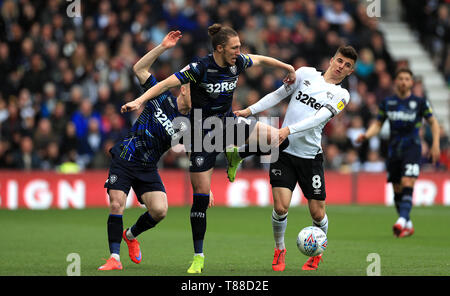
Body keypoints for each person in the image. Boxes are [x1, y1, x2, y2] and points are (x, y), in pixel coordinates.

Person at [121, 23, 296, 273]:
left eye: (239, 47)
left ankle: (237, 154)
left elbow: (257, 58)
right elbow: (162, 84)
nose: (239, 51)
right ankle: (198, 257)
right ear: (219, 48)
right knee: (200, 200)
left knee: (280, 138)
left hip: (227, 123)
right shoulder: (198, 69)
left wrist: (287, 67)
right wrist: (139, 100)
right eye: (234, 47)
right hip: (199, 137)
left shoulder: (237, 62)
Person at [234, 45, 358, 271]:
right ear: (332, 60)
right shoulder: (305, 74)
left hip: (310, 157)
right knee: (281, 208)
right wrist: (249, 111)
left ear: (350, 72)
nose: (342, 66)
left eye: (347, 65)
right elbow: (278, 94)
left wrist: (288, 130)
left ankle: (317, 252)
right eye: (340, 61)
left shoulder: (342, 95)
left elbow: (319, 118)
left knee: (317, 213)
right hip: (284, 152)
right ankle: (279, 249)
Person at [98, 31, 192, 271]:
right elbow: (139, 69)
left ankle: (130, 235)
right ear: (182, 89)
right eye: (194, 89)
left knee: (160, 211)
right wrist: (162, 47)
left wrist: (205, 188)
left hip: (148, 167)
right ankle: (114, 258)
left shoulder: (189, 123)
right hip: (126, 157)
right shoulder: (161, 95)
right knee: (117, 203)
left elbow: (194, 152)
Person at [356, 68, 440, 238]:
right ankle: (407, 223)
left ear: (411, 82)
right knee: (397, 187)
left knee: (408, 181)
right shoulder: (387, 103)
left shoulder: (420, 102)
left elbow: (433, 122)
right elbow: (378, 124)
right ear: (396, 82)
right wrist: (366, 135)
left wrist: (435, 144)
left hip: (412, 147)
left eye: (406, 79)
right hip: (394, 149)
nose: (403, 81)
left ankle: (401, 221)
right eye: (400, 78)